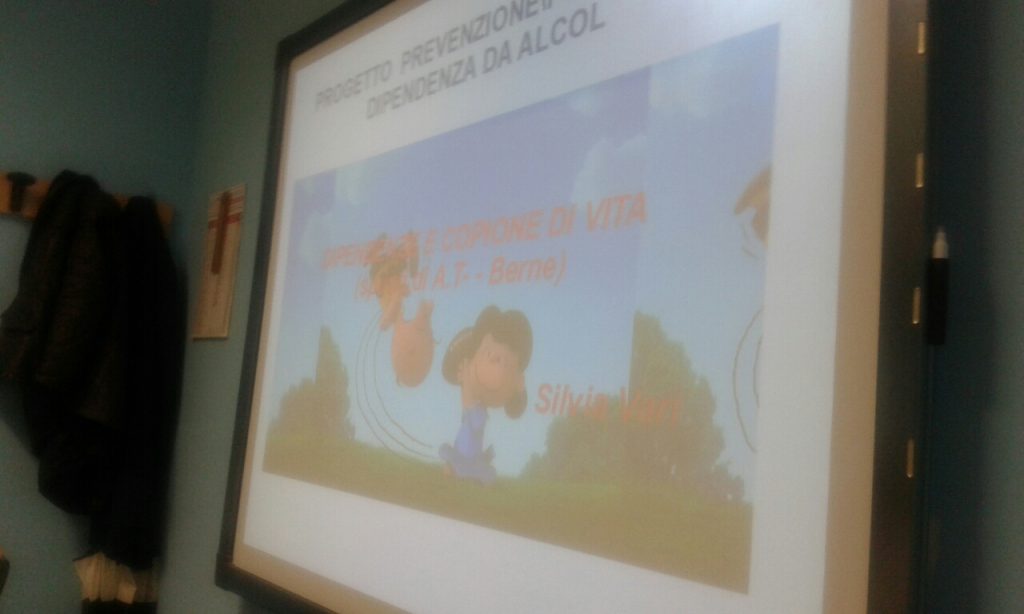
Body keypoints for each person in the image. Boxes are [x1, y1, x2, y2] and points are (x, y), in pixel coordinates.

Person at [439, 306, 532, 484]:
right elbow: (473, 417)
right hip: (466, 450)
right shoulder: (475, 410)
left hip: (471, 452)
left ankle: (463, 468)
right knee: (466, 456)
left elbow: (471, 410)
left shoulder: (476, 408)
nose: (500, 369)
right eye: (492, 357)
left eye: (509, 365)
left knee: (479, 467)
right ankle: (459, 468)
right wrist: (467, 384)